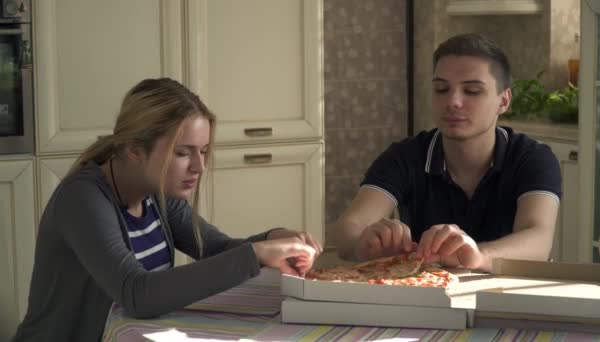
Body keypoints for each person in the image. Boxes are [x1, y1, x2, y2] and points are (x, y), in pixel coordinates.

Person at [12, 78, 323, 341]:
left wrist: (273, 239)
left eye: (203, 151)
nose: (199, 166)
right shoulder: (82, 199)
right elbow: (137, 294)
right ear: (135, 150)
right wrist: (256, 253)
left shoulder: (157, 193)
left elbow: (215, 249)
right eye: (182, 153)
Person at [334, 33, 561, 272]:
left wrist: (478, 255)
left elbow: (539, 238)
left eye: (472, 91)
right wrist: (364, 244)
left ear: (503, 101)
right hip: (430, 296)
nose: (453, 101)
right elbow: (347, 228)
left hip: (510, 294)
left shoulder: (533, 158)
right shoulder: (405, 156)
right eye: (441, 89)